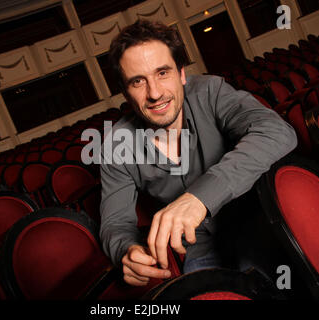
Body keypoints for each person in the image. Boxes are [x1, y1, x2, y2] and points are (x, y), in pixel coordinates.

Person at [99, 19, 297, 286]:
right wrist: (127, 251)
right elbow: (115, 223)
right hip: (198, 245)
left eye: (162, 73)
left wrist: (199, 197)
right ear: (125, 93)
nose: (155, 93)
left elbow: (277, 132)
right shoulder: (115, 145)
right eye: (138, 81)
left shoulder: (210, 92)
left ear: (181, 74)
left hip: (255, 217)